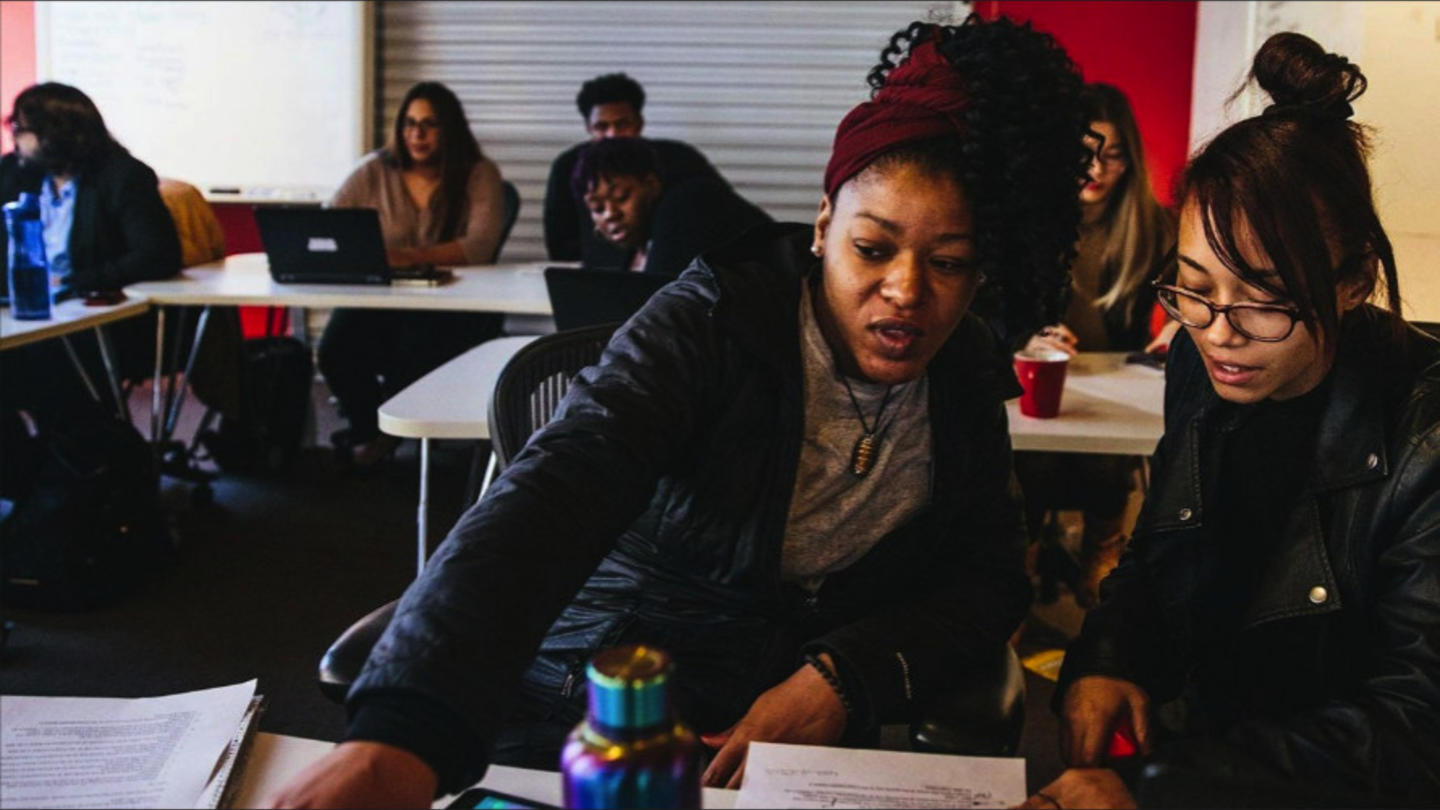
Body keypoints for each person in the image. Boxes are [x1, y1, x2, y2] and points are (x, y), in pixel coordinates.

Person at [270, 15, 1088, 809]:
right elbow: (550, 493)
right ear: (823, 226)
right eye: (872, 249)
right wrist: (401, 732)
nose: (907, 290)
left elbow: (986, 578)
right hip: (596, 708)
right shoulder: (709, 321)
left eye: (949, 262)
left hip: (781, 732)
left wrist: (844, 678)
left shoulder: (966, 367)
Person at [1023, 32, 1440, 809]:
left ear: (1354, 280)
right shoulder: (1198, 365)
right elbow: (1162, 550)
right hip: (1214, 753)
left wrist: (1156, 788)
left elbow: (1416, 728)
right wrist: (1110, 654)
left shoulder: (1424, 434)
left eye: (1267, 299)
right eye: (1192, 288)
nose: (1219, 331)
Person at [1015, 83, 1178, 607]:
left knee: (1107, 462)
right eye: (1085, 156)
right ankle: (1023, 560)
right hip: (1043, 383)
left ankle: (1100, 552)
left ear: (1130, 160)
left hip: (1115, 387)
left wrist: (1182, 325)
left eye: (1113, 156)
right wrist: (1030, 336)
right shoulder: (1027, 226)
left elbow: (1198, 291)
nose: (1098, 170)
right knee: (1031, 464)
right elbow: (992, 313)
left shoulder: (1153, 227)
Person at [316, 81, 508, 469]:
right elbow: (331, 225)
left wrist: (402, 256)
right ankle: (370, 431)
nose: (416, 134)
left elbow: (477, 247)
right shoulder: (374, 170)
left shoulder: (478, 173)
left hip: (454, 304)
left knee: (414, 350)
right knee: (335, 348)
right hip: (382, 297)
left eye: (429, 124)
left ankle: (391, 436)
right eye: (409, 124)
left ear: (449, 129)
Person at [0, 82, 181, 422]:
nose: (15, 139)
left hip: (96, 317)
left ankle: (77, 460)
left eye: (22, 130)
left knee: (44, 363)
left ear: (55, 134)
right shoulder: (14, 173)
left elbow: (156, 254)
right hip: (22, 310)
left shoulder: (122, 176)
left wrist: (72, 280)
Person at [543, 72, 727, 266]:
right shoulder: (568, 167)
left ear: (639, 123)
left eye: (622, 124)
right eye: (602, 127)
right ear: (589, 128)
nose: (613, 135)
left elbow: (717, 221)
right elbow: (561, 246)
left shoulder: (680, 159)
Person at [572, 136, 771, 276]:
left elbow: (656, 303)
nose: (610, 214)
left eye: (622, 197)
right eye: (597, 208)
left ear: (652, 185)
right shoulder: (633, 247)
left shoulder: (688, 205)